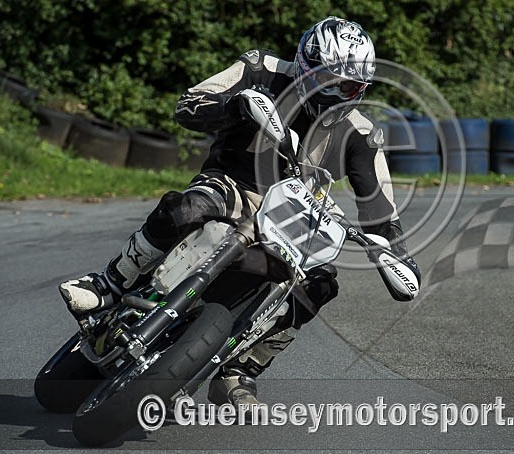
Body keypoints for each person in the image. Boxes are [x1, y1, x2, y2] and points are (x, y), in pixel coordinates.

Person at [59, 16, 420, 408]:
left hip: (297, 214)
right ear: (305, 64)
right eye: (328, 80)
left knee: (320, 283)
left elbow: (382, 212)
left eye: (349, 86)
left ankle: (237, 373)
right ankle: (111, 284)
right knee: (188, 207)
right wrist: (235, 105)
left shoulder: (362, 132)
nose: (336, 93)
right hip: (234, 184)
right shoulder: (259, 69)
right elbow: (188, 105)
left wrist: (395, 255)